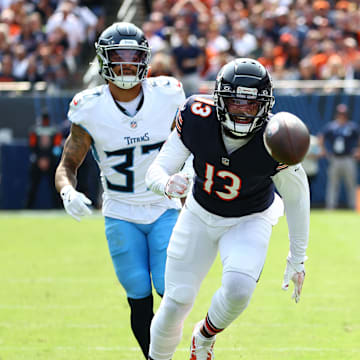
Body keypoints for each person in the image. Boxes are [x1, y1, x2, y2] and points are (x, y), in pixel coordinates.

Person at [145, 58, 310, 360]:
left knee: (239, 288)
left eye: (252, 104)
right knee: (174, 304)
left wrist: (297, 257)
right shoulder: (197, 115)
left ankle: (204, 336)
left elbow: (298, 198)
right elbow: (156, 170)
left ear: (266, 104)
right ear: (220, 98)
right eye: (235, 102)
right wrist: (166, 184)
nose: (243, 110)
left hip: (249, 218)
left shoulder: (277, 138)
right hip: (198, 212)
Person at [54, 22, 186, 359]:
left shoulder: (168, 93)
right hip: (120, 211)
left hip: (164, 205)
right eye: (118, 57)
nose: (127, 65)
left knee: (169, 289)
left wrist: (187, 174)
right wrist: (68, 191)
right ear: (103, 60)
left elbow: (189, 145)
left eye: (133, 57)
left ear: (145, 59)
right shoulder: (89, 106)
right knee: (138, 292)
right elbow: (67, 164)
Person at [318, 103, 360, 210]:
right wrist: (324, 150)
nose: (342, 115)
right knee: (333, 184)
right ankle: (331, 207)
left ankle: (353, 206)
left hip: (348, 158)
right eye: (340, 113)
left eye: (344, 113)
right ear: (337, 114)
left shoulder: (352, 126)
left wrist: (358, 151)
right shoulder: (332, 126)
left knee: (351, 183)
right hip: (335, 158)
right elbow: (321, 137)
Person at [26, 111, 63, 209]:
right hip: (44, 161)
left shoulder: (36, 130)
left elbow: (32, 147)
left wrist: (42, 159)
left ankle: (57, 207)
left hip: (43, 161)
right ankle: (28, 207)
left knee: (53, 187)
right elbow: (57, 148)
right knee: (34, 186)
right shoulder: (54, 130)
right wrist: (46, 159)